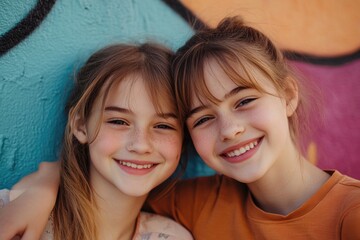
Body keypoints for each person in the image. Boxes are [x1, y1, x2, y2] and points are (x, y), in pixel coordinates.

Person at [2, 17, 360, 240]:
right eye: (203, 118)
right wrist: (39, 191)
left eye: (244, 101)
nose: (230, 129)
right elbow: (101, 191)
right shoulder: (196, 203)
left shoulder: (349, 214)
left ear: (287, 95)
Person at [0, 42, 193, 240]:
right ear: (81, 126)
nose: (141, 145)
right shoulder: (11, 217)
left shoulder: (171, 237)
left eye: (163, 126)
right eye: (118, 121)